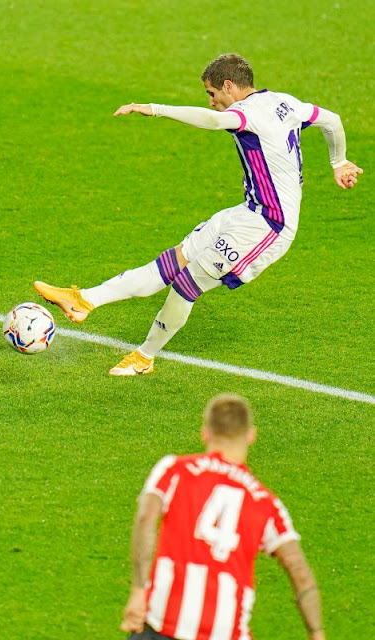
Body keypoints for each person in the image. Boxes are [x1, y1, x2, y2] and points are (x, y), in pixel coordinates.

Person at [34, 53, 362, 376]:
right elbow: (330, 120)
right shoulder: (284, 102)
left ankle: (144, 357)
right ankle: (83, 300)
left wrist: (154, 109)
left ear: (230, 86)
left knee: (185, 284)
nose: (211, 102)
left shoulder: (246, 113)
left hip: (269, 226)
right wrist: (339, 161)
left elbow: (215, 120)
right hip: (246, 213)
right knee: (173, 261)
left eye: (212, 93)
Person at [121, 393, 325, 640]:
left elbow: (145, 518)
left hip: (161, 624)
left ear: (205, 433)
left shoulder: (174, 470)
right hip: (225, 632)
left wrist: (137, 591)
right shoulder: (267, 503)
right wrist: (316, 633)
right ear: (251, 436)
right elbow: (299, 571)